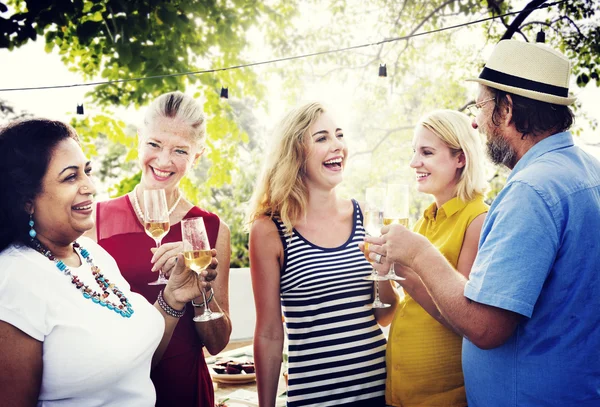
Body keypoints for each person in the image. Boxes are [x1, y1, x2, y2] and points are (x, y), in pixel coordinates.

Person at [367, 39, 600, 406]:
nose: (476, 121)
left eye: (481, 106)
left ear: (506, 110)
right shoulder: (589, 172)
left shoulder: (530, 190)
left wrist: (420, 253)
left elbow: (486, 327)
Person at [0, 118, 214, 406]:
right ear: (27, 199)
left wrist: (174, 296)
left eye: (87, 172)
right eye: (70, 177)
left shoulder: (92, 254)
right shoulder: (14, 280)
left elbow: (134, 367)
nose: (89, 186)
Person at [247, 102, 398, 407]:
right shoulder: (269, 230)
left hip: (380, 393)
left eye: (339, 135)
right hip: (312, 399)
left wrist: (383, 273)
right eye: (322, 138)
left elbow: (385, 314)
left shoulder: (367, 217)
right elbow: (269, 333)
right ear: (295, 154)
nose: (338, 146)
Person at [87, 91, 232, 407]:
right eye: (154, 144)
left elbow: (218, 343)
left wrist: (201, 290)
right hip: (118, 396)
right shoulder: (94, 222)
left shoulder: (212, 228)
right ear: (139, 140)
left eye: (180, 150)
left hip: (188, 392)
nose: (164, 161)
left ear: (197, 156)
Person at [384, 110, 488, 407]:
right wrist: (384, 269)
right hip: (400, 390)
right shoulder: (424, 221)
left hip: (443, 396)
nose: (414, 162)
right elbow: (405, 304)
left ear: (460, 158)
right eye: (414, 152)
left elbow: (464, 318)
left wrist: (407, 266)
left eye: (426, 152)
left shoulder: (477, 220)